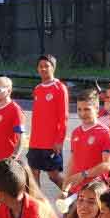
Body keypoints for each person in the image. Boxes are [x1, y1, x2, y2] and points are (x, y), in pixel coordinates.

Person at [27, 54, 70, 190]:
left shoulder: (60, 88)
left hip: (51, 142)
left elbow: (64, 117)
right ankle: (38, 208)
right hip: (35, 141)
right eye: (41, 66)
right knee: (33, 176)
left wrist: (59, 140)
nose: (43, 69)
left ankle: (73, 198)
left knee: (54, 175)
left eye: (47, 66)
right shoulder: (38, 89)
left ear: (53, 68)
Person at [63, 89, 110, 194]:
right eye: (79, 109)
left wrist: (83, 174)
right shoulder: (75, 132)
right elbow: (72, 161)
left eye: (87, 109)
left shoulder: (105, 132)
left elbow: (106, 165)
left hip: (95, 190)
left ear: (96, 109)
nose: (82, 113)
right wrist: (64, 188)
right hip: (76, 189)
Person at [0, 76, 26, 164]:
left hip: (6, 163)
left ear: (9, 91)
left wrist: (13, 158)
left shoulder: (15, 110)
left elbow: (21, 139)